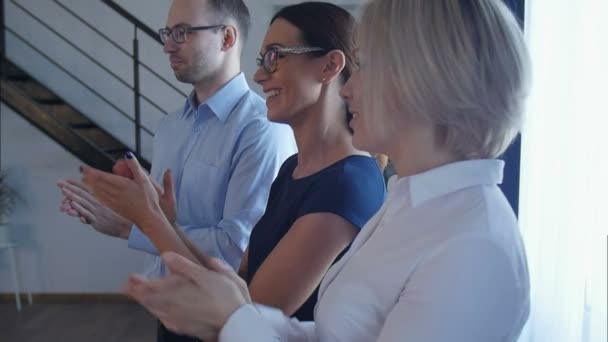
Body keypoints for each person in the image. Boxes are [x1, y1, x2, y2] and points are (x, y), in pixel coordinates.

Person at [89, 0, 532, 340]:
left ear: (428, 81)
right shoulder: (411, 204)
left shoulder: (473, 246)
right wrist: (229, 307)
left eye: (368, 66)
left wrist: (230, 314)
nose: (351, 87)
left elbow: (265, 302)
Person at [81, 1, 386, 323]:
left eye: (274, 57)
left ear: (329, 67)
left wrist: (149, 220)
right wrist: (159, 219)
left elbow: (251, 315)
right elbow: (235, 283)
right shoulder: (292, 169)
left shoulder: (346, 182)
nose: (258, 75)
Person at [58, 0, 295, 341]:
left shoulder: (262, 130)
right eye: (168, 32)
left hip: (226, 322)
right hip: (170, 316)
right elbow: (166, 217)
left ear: (227, 38)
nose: (167, 45)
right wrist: (128, 203)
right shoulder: (170, 127)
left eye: (182, 32)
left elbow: (239, 250)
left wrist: (133, 226)